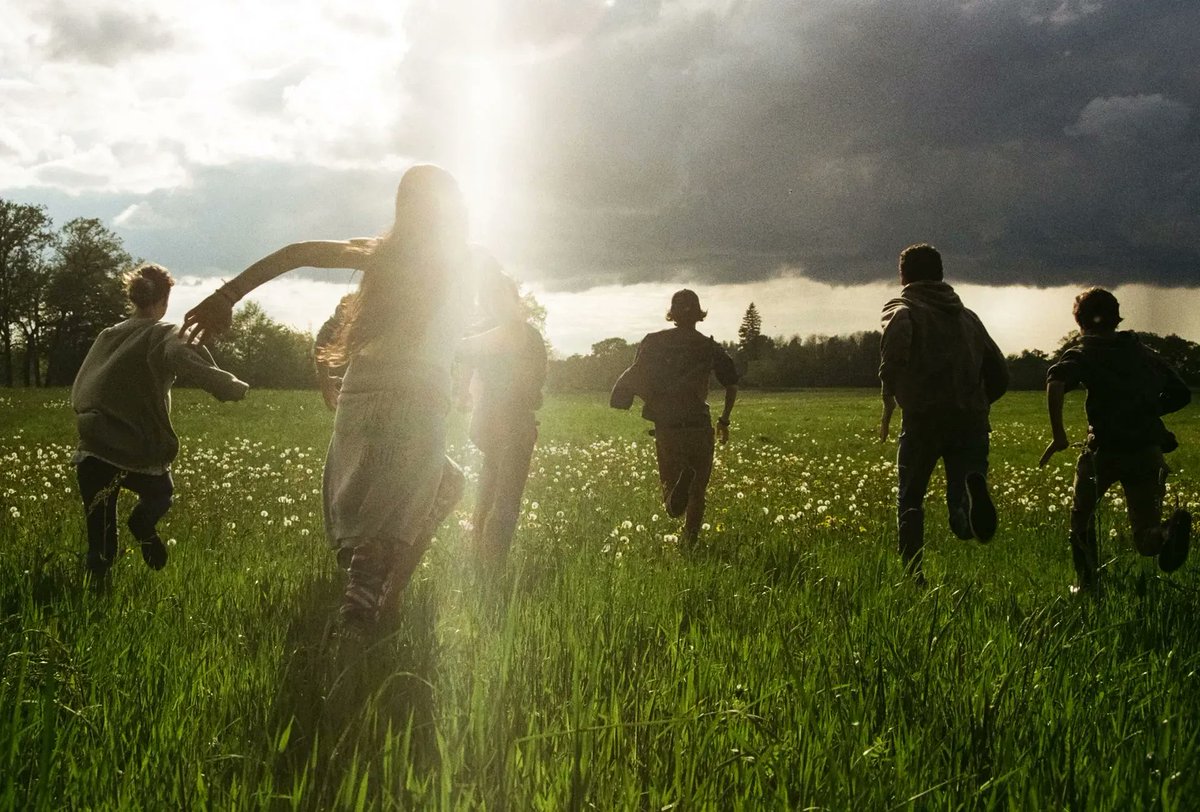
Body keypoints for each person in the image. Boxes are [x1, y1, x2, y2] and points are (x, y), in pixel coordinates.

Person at [182, 164, 491, 629]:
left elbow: (298, 253)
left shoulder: (383, 253)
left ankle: (382, 591)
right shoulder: (461, 260)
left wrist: (227, 294)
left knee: (442, 487)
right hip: (418, 392)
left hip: (363, 388)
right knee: (398, 512)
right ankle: (367, 598)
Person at [71, 263, 248, 579]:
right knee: (160, 493)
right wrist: (226, 385)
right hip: (136, 447)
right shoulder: (164, 333)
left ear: (134, 297)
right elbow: (183, 357)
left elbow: (84, 381)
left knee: (99, 540)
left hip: (93, 446)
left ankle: (95, 588)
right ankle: (142, 524)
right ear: (165, 299)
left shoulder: (107, 335)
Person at [1039, 287, 1192, 592]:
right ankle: (1165, 534)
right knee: (1145, 536)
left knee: (1081, 523)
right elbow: (1182, 393)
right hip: (1147, 449)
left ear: (1079, 320)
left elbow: (1056, 383)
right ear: (1116, 317)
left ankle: (1088, 585)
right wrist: (1146, 410)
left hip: (1103, 451)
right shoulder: (1142, 351)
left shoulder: (1085, 350)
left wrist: (1059, 436)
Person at [878, 243, 1008, 584]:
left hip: (923, 417)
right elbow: (999, 371)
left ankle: (913, 575)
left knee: (911, 497)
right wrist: (978, 402)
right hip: (970, 418)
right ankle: (967, 501)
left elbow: (896, 344)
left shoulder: (903, 306)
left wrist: (892, 390)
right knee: (961, 499)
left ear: (903, 275)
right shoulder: (968, 317)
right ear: (941, 274)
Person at [610, 289, 738, 546]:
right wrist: (724, 419)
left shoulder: (653, 342)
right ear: (699, 313)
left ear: (672, 313)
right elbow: (732, 384)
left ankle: (677, 493)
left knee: (672, 501)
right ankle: (689, 544)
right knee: (698, 491)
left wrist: (644, 400)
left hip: (668, 426)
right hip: (699, 424)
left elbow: (636, 375)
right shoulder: (709, 346)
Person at [459, 268, 547, 564]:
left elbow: (464, 368)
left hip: (485, 421)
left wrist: (463, 396)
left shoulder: (480, 336)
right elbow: (535, 386)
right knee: (507, 497)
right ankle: (492, 568)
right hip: (515, 420)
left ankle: (477, 558)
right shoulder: (526, 334)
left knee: (488, 487)